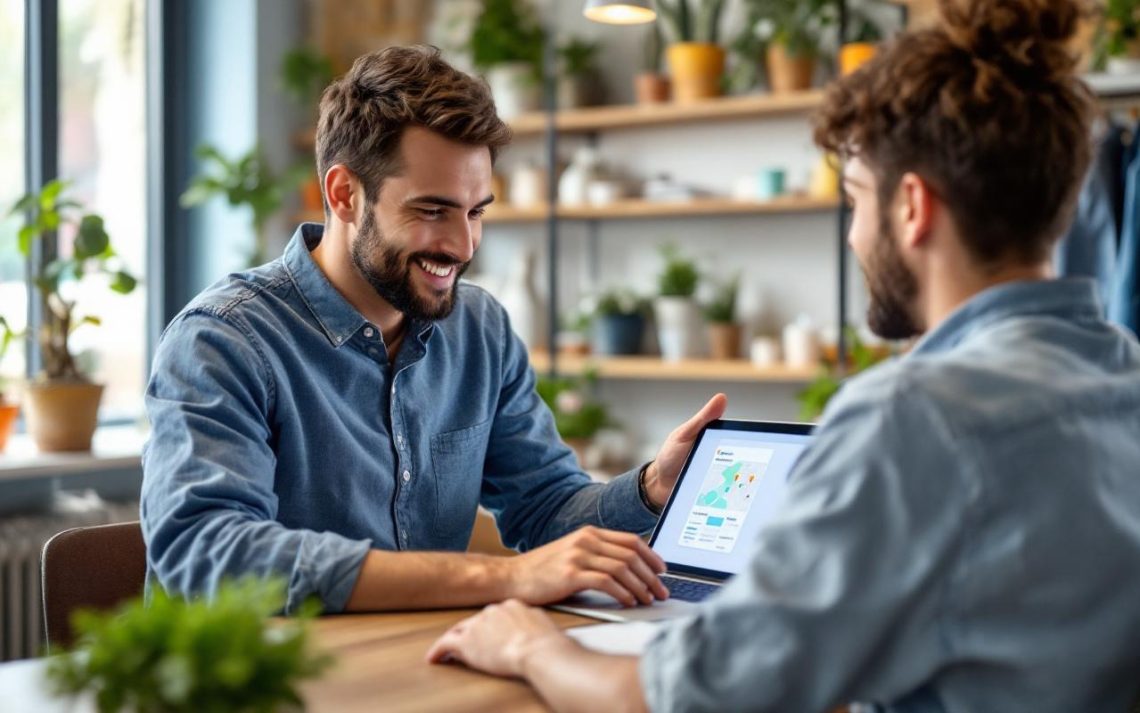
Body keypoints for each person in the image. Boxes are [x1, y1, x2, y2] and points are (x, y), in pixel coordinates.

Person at [426, 1, 1140, 710]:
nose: (855, 237)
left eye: (856, 199)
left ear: (913, 208)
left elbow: (672, 698)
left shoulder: (915, 419)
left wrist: (528, 644)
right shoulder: (1124, 377)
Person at [141, 45, 726, 614]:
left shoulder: (480, 330)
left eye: (476, 212)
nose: (463, 245)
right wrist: (500, 576)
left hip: (413, 670)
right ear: (344, 194)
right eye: (432, 210)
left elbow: (545, 509)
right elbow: (209, 554)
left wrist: (651, 487)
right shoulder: (223, 339)